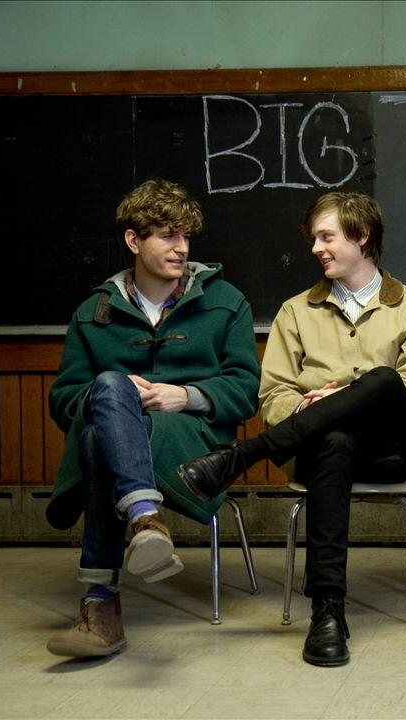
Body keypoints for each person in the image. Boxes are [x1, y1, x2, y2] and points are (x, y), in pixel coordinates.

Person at [178, 191, 406, 668]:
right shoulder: (295, 311)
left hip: (391, 450)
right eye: (314, 239)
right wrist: (310, 406)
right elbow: (273, 397)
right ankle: (328, 612)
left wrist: (340, 398)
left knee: (385, 380)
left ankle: (244, 455)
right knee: (335, 441)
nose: (316, 248)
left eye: (327, 237)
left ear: (362, 236)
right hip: (321, 450)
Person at [45, 178, 262, 658]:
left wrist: (185, 396)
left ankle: (100, 603)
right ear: (133, 240)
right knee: (107, 400)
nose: (181, 247)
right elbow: (63, 399)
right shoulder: (93, 312)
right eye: (167, 236)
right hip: (119, 445)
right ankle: (145, 518)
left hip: (195, 449)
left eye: (185, 236)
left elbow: (246, 390)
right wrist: (113, 397)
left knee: (99, 436)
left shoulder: (227, 302)